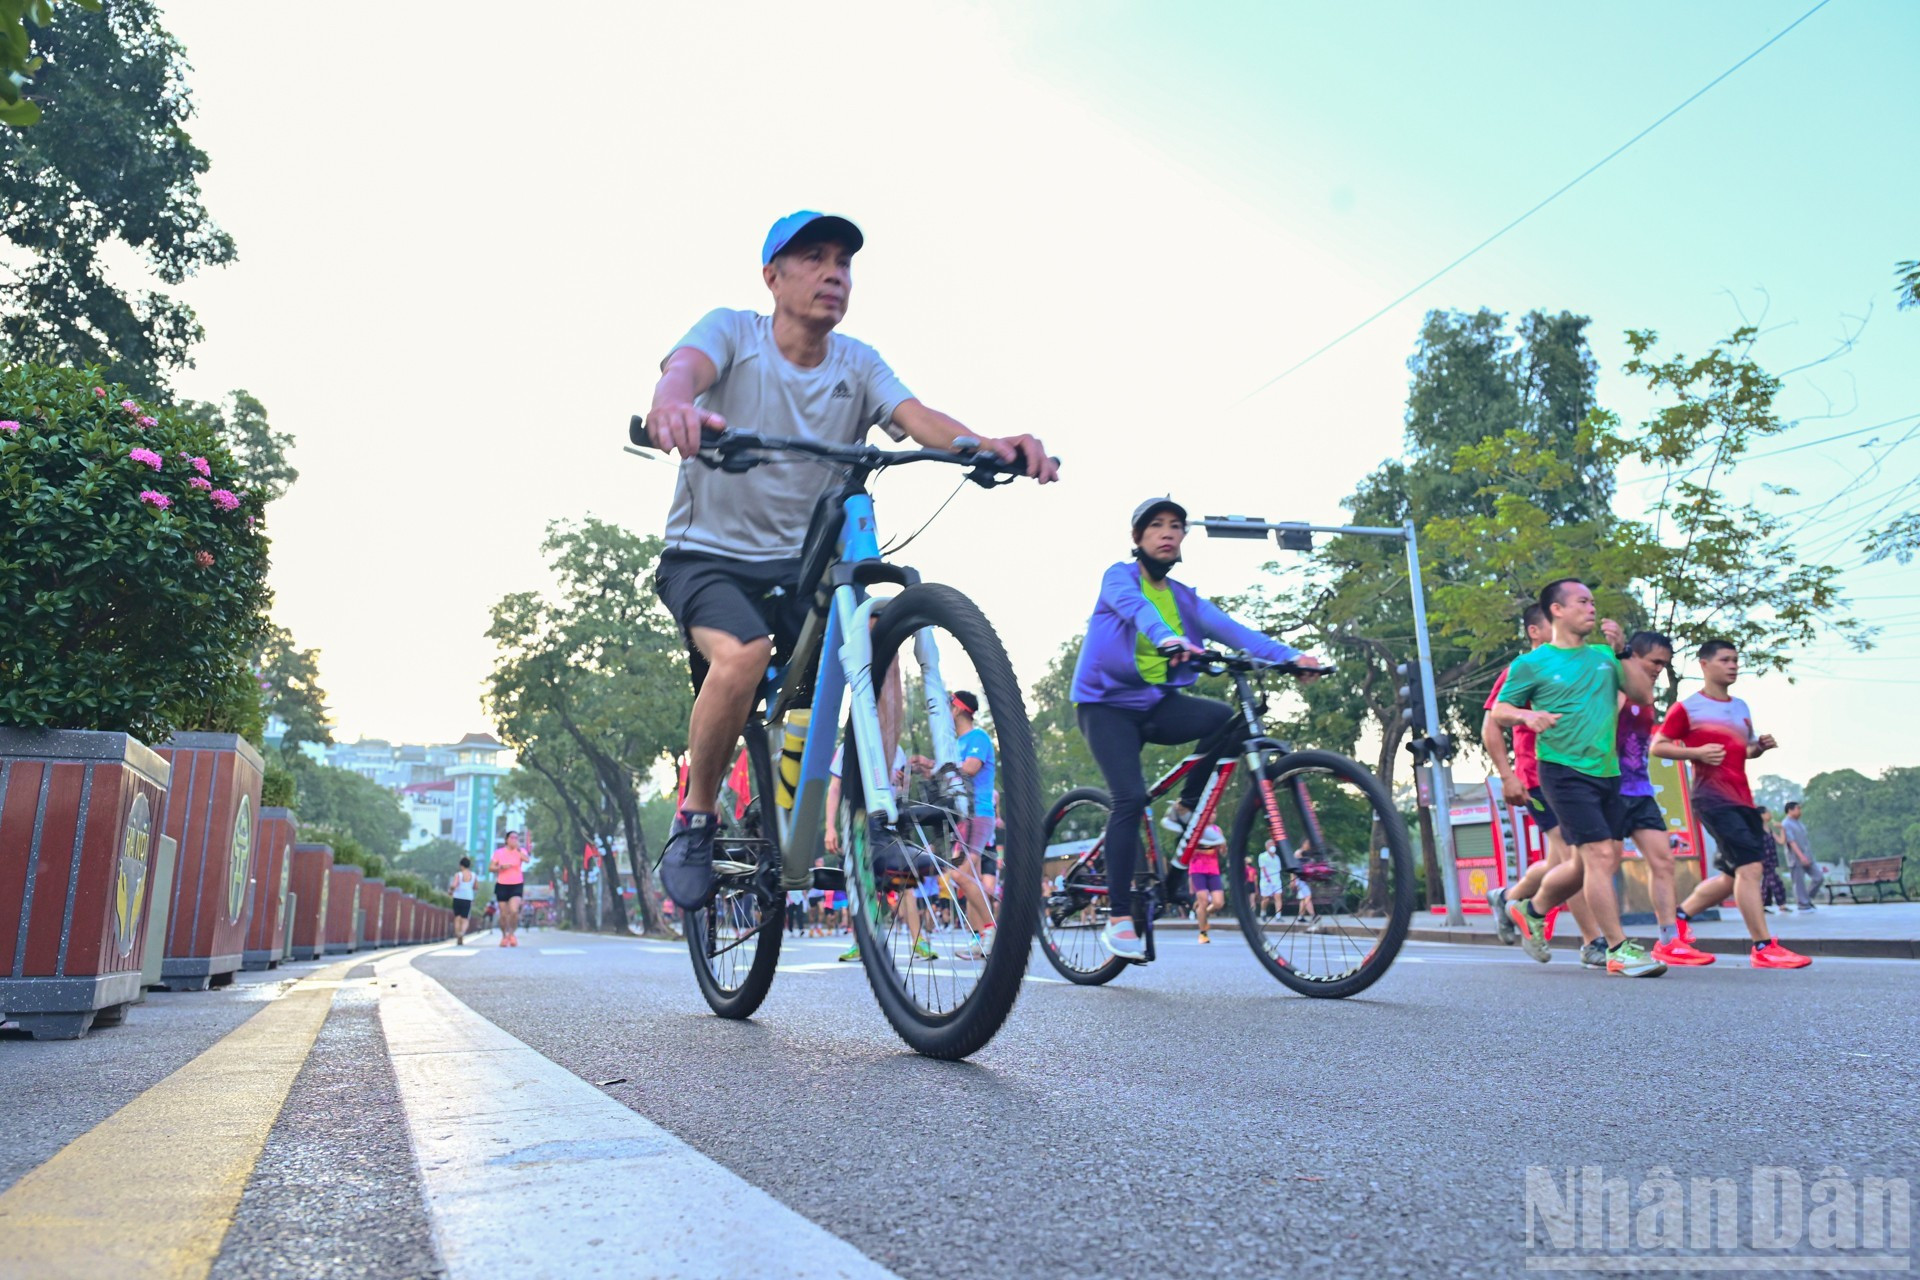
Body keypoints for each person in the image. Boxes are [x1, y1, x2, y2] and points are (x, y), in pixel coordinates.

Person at [646, 211, 1056, 913]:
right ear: (772, 276)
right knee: (744, 658)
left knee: (879, 645)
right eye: (812, 258)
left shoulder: (857, 362)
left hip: (800, 569)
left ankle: (877, 815)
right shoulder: (734, 332)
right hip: (708, 559)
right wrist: (672, 404)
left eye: (843, 261)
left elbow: (918, 416)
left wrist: (984, 444)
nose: (833, 272)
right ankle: (697, 817)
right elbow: (683, 369)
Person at [1071, 497, 1320, 961]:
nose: (1167, 533)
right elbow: (1138, 611)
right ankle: (1119, 916)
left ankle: (1184, 809)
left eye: (1176, 527)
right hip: (1105, 706)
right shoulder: (1118, 578)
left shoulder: (1186, 598)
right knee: (1129, 799)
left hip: (1156, 703)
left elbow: (1237, 633)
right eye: (1156, 526)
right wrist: (1168, 638)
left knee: (1225, 721)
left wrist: (1291, 658)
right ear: (1137, 538)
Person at [1491, 579, 1665, 978]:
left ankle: (1529, 908)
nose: (1591, 608)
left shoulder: (1605, 657)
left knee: (1593, 861)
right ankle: (1617, 949)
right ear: (1557, 610)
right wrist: (1526, 716)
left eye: (1592, 602)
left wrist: (1624, 652)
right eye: (1582, 602)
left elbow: (1642, 695)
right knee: (1600, 857)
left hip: (1607, 770)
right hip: (1562, 770)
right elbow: (1500, 710)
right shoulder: (1532, 663)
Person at [1654, 642, 1810, 968]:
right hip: (1712, 797)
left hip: (1742, 797)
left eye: (1736, 660)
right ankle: (1763, 947)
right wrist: (1696, 753)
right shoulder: (1688, 708)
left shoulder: (1741, 707)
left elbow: (1744, 751)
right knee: (1751, 868)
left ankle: (1680, 919)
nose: (1733, 666)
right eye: (1725, 660)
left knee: (1730, 876)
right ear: (1704, 664)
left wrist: (1759, 748)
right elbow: (1659, 746)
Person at [1482, 603, 1606, 967]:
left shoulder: (1579, 666)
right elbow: (1492, 726)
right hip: (1539, 777)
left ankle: (1508, 898)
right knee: (1574, 858)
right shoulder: (1521, 670)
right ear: (1536, 631)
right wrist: (1508, 775)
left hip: (1581, 773)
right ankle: (1592, 942)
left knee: (1558, 862)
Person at [1613, 631, 1714, 967]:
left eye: (1664, 664)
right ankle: (1601, 941)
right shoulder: (1615, 687)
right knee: (1596, 866)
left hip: (1640, 791)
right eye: (1654, 662)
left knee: (1663, 862)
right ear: (1634, 657)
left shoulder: (1646, 696)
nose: (1659, 669)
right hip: (1607, 789)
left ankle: (1669, 940)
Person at [1188, 825, 1227, 943]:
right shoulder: (1195, 828)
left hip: (1213, 870)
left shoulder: (1217, 830)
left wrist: (1224, 847)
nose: (1212, 815)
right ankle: (1203, 933)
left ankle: (1203, 913)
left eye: (1214, 812)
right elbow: (1188, 851)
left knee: (1218, 903)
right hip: (1197, 869)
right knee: (1203, 900)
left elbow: (1223, 853)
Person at [1782, 801, 1824, 909]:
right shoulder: (1786, 824)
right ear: (1790, 810)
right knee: (1799, 882)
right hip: (1795, 858)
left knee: (1818, 877)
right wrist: (1801, 856)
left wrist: (1807, 856)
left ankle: (1807, 898)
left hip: (1808, 856)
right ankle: (1803, 904)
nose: (1800, 811)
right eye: (1798, 808)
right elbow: (1791, 842)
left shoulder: (1799, 823)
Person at [490, 831, 528, 948]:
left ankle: (512, 934)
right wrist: (501, 867)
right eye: (512, 837)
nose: (514, 840)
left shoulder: (521, 851)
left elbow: (527, 860)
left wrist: (518, 850)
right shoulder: (499, 852)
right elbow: (491, 867)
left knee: (514, 911)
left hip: (516, 884)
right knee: (503, 914)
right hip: (502, 884)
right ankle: (504, 936)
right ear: (506, 840)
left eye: (517, 838)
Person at [1757, 806, 1792, 914]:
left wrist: (1782, 829)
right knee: (1776, 881)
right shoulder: (1757, 830)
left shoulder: (1769, 829)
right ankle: (1782, 904)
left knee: (1767, 884)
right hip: (1764, 860)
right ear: (1762, 815)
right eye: (1768, 812)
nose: (1770, 814)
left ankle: (1762, 905)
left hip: (1771, 859)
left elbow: (1781, 841)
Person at [449, 856, 477, 946]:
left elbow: (454, 885)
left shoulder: (459, 875)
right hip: (468, 898)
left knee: (457, 917)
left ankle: (458, 935)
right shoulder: (473, 875)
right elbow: (476, 887)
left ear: (461, 865)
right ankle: (462, 933)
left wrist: (450, 890)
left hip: (457, 897)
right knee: (465, 918)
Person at [1256, 840, 1286, 921]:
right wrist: (1268, 877)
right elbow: (1263, 868)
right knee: (1266, 899)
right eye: (1270, 845)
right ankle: (1263, 912)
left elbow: (1278, 869)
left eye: (1273, 844)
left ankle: (1278, 916)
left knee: (1278, 897)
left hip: (1276, 880)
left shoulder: (1277, 858)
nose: (1272, 846)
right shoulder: (1262, 856)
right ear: (1267, 846)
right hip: (1266, 881)